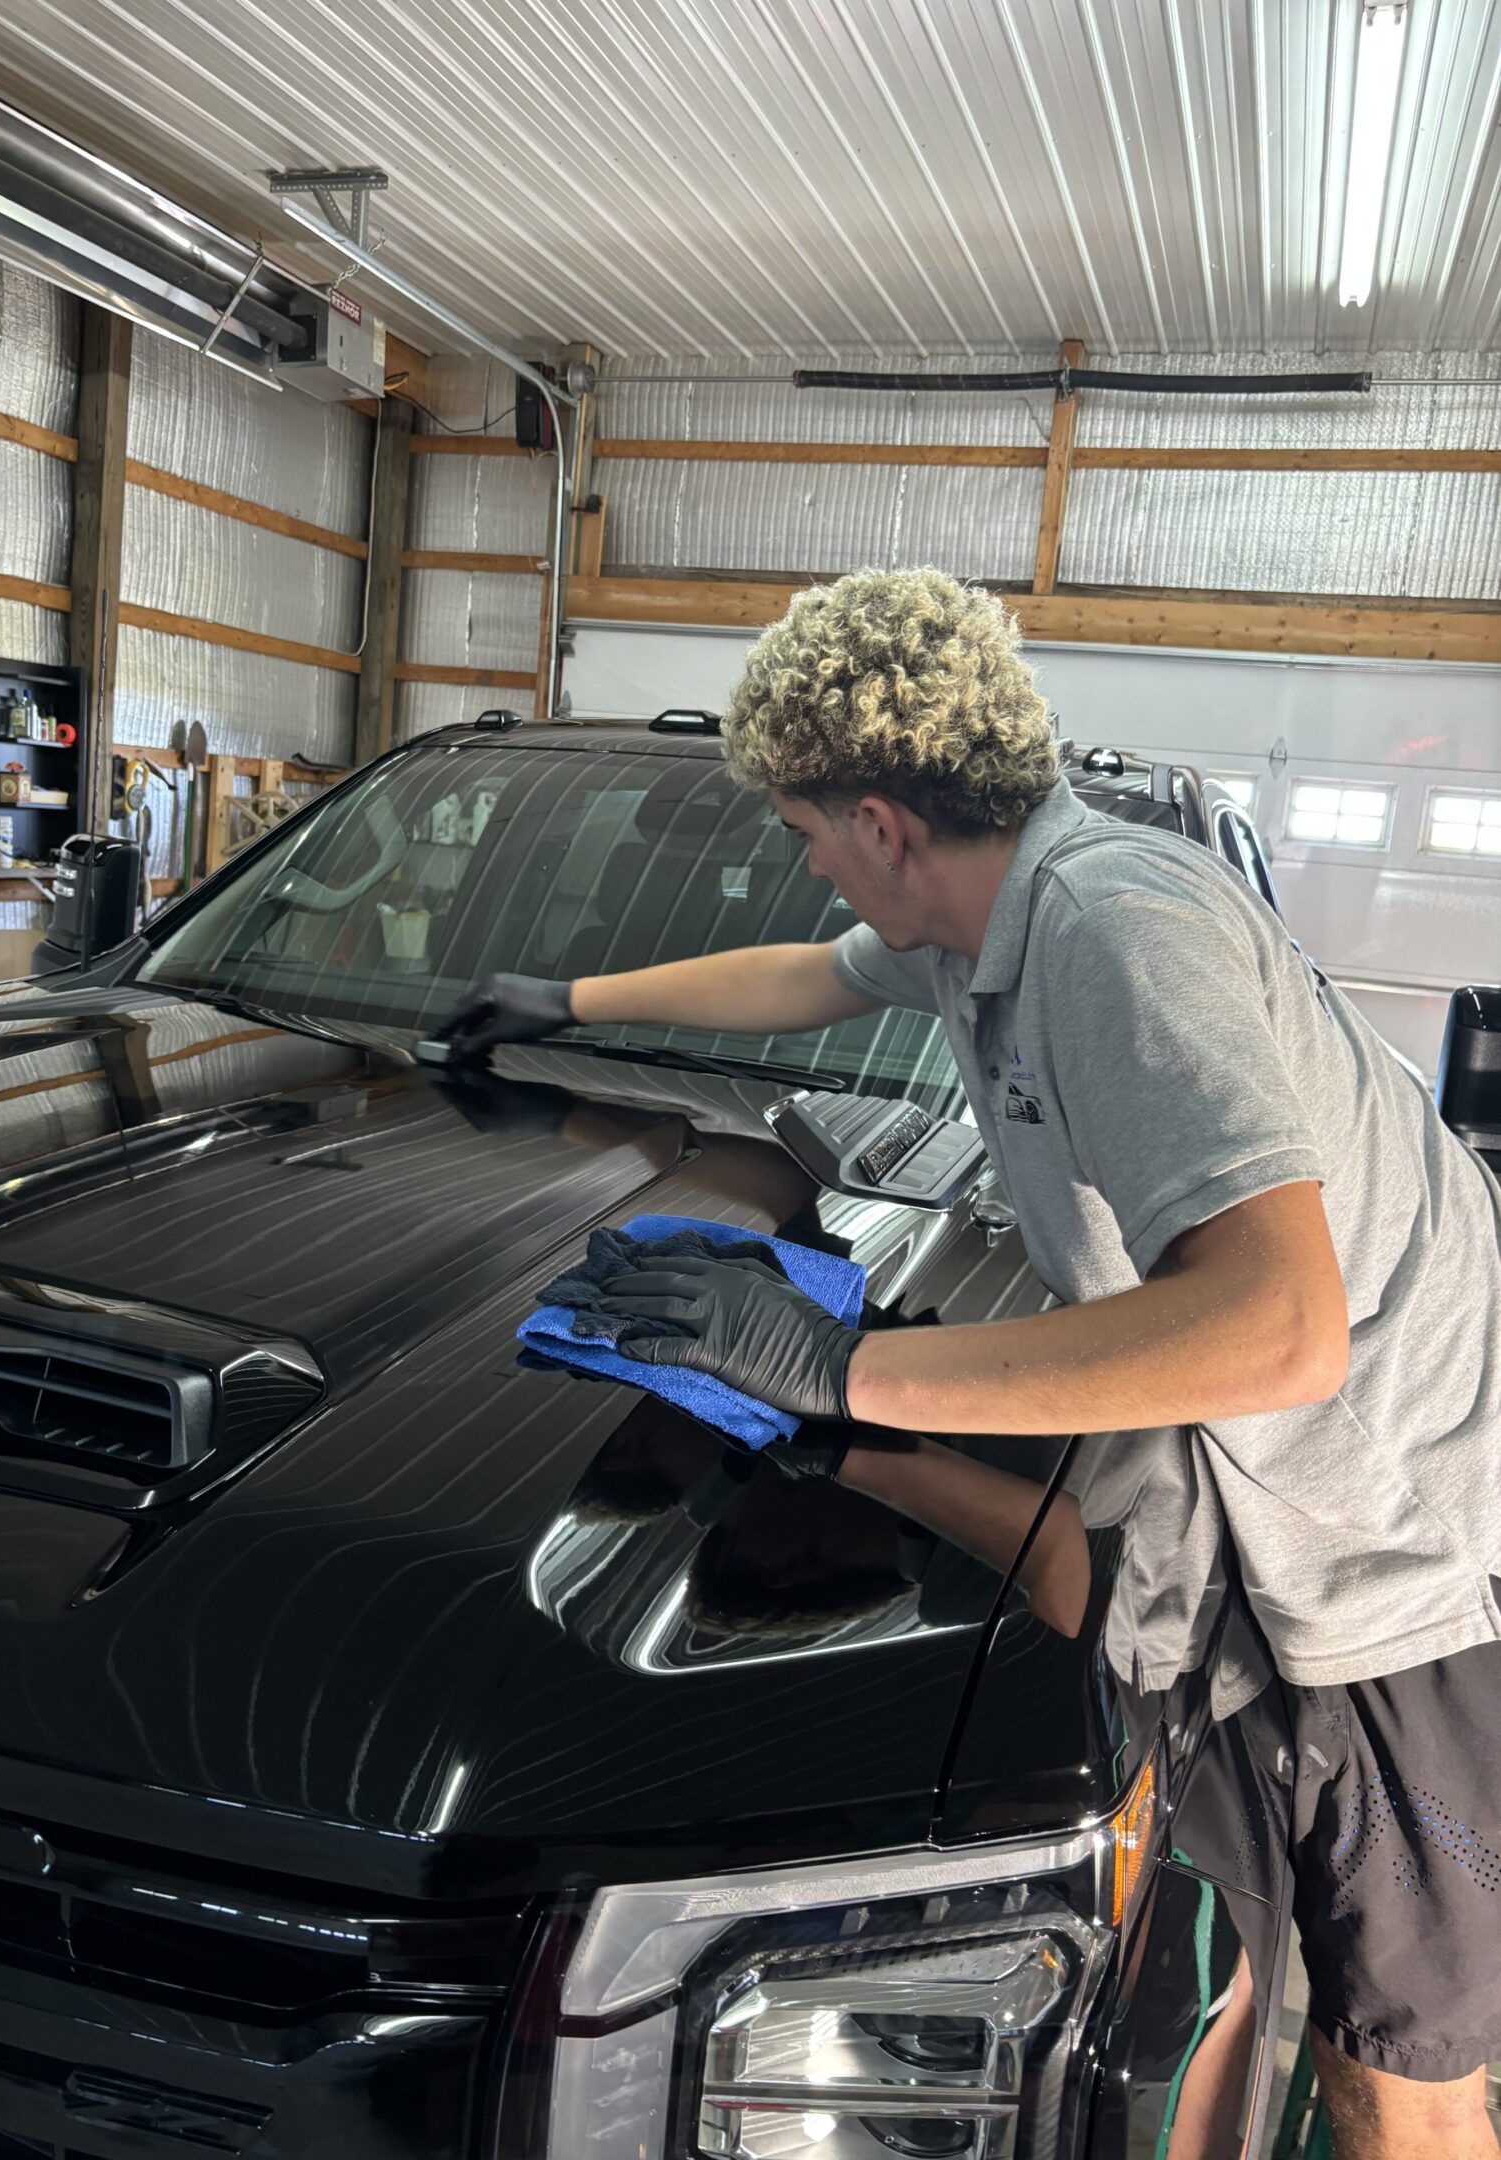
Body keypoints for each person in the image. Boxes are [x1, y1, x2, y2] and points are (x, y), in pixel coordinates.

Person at [439, 567, 1501, 2160]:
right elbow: (804, 979)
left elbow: (1277, 1326)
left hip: (1396, 1536)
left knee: (1394, 2049)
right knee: (1249, 1954)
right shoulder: (971, 920)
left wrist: (841, 1374)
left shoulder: (1108, 935)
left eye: (803, 833)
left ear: (881, 821)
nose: (805, 865)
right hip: (1264, 1497)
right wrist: (563, 1002)